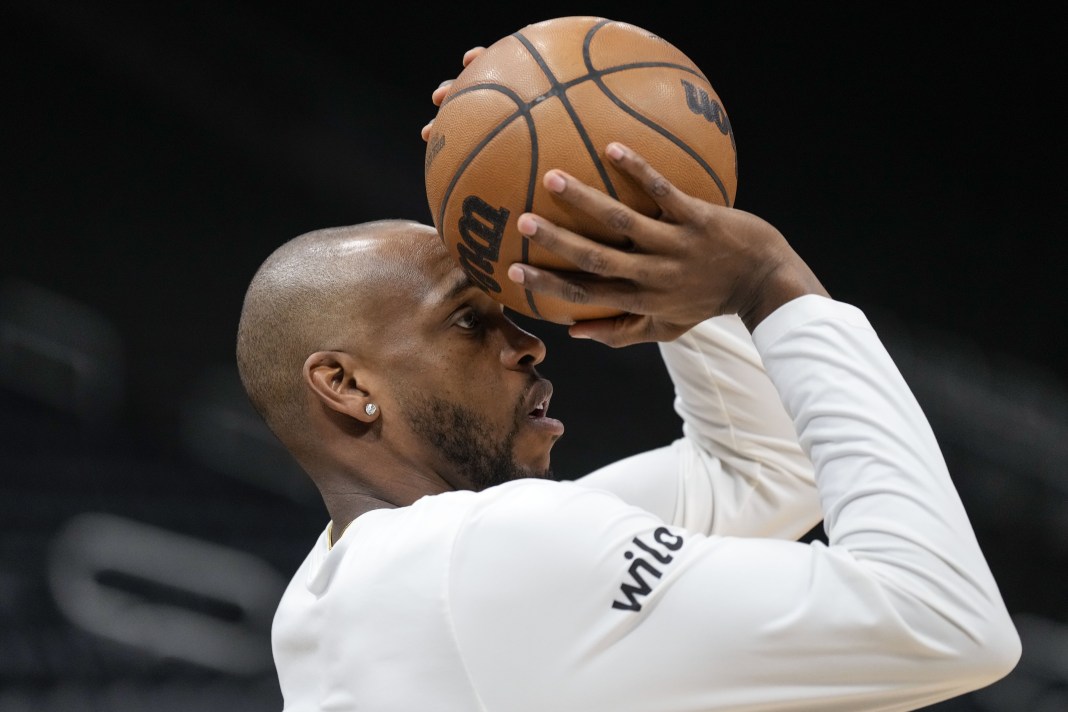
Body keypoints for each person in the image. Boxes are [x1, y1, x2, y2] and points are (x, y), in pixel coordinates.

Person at [235, 54, 1020, 712]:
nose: (527, 344)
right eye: (470, 322)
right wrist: (769, 283)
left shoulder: (332, 596)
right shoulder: (484, 553)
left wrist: (668, 272)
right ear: (342, 382)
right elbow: (947, 621)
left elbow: (766, 471)